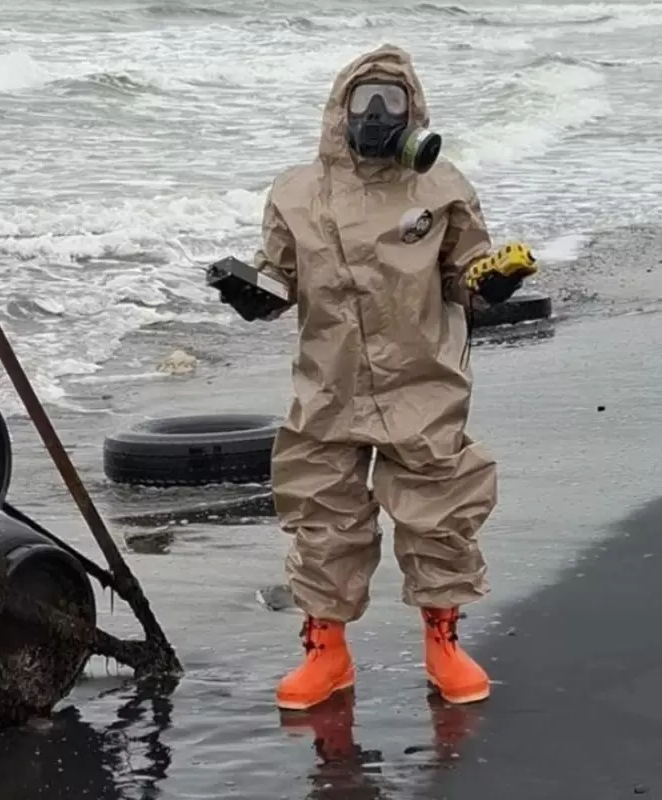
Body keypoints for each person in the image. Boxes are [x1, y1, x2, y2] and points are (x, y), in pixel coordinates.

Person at [249, 43, 539, 711]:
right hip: (329, 384)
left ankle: (443, 641)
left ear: (415, 111)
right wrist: (251, 292)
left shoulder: (441, 187)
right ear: (338, 110)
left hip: (421, 380)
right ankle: (326, 650)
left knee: (441, 511)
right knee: (321, 514)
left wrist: (494, 278)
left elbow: (467, 272)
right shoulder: (296, 191)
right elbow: (278, 278)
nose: (377, 115)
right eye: (364, 102)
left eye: (392, 102)